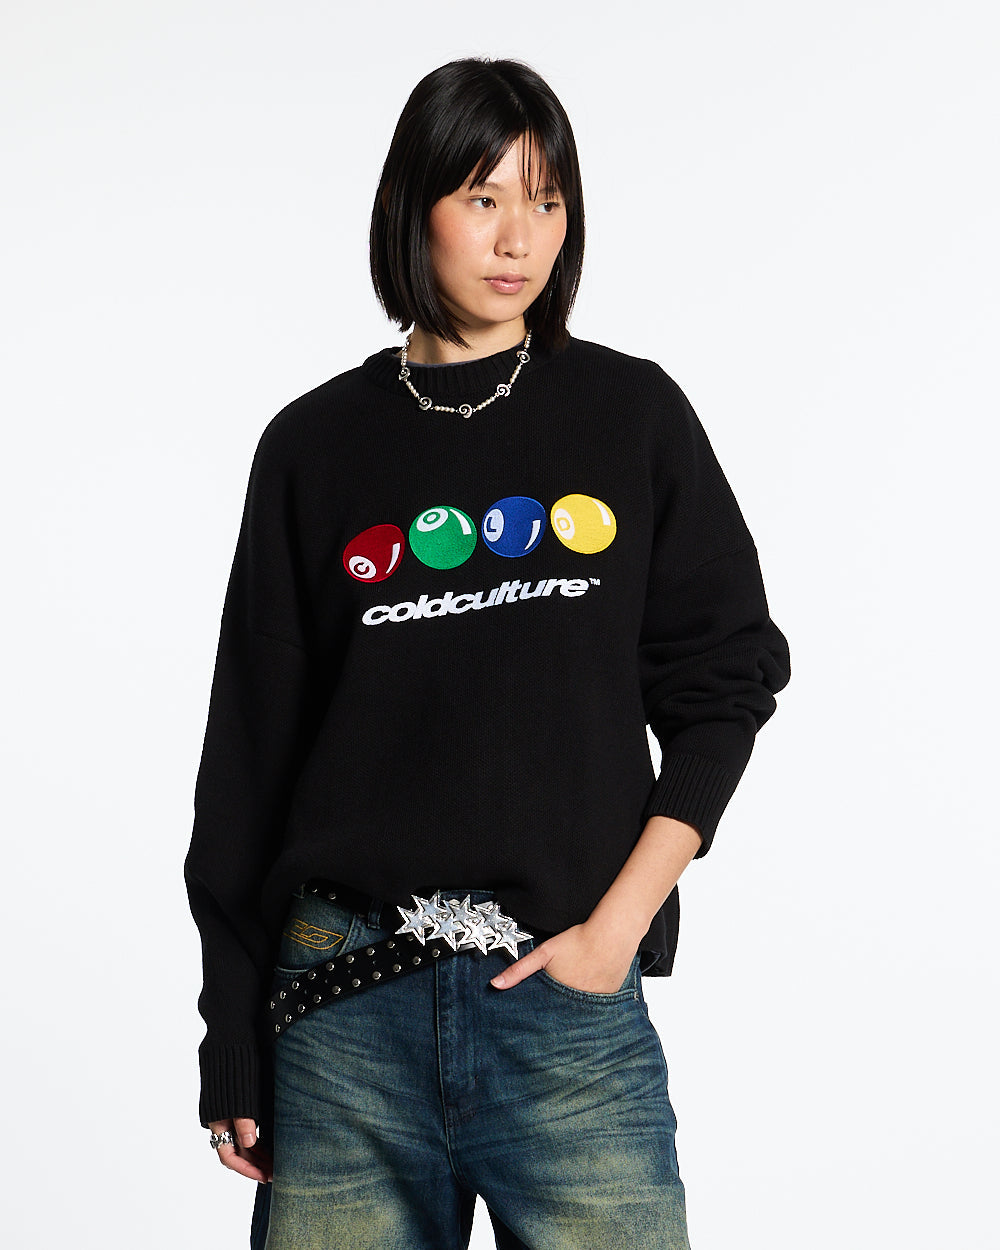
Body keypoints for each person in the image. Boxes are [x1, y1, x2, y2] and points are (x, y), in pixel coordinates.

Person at [184, 55, 791, 1250]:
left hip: (563, 1004)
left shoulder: (629, 414)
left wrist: (618, 926)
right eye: (482, 197)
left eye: (547, 201)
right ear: (410, 209)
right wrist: (232, 1036)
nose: (520, 238)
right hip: (342, 1012)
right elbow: (249, 758)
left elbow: (725, 679)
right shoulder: (312, 445)